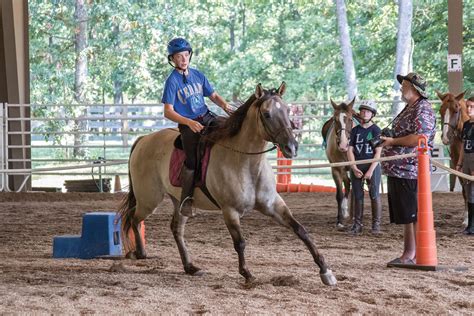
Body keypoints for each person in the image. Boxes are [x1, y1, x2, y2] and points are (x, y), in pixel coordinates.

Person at [161, 37, 231, 217]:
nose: (183, 59)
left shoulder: (198, 75)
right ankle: (186, 198)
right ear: (172, 59)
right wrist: (188, 122)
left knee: (228, 132)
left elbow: (213, 95)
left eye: (186, 55)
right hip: (188, 124)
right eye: (179, 56)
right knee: (191, 159)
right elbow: (168, 111)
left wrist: (225, 106)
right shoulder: (172, 81)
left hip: (206, 116)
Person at [380, 72, 436, 265]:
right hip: (400, 169)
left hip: (410, 169)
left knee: (414, 212)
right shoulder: (410, 108)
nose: (401, 87)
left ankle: (413, 253)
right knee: (407, 214)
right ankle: (409, 252)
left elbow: (420, 138)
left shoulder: (423, 109)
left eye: (404, 84)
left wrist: (393, 141)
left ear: (414, 88)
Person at [347, 100, 383, 235]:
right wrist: (354, 167)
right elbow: (350, 150)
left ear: (372, 114)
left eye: (367, 111)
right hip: (357, 165)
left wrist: (370, 170)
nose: (364, 113)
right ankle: (357, 225)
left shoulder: (376, 130)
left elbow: (378, 153)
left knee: (374, 194)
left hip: (372, 166)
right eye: (362, 111)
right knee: (357, 194)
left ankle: (376, 225)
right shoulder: (355, 130)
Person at [456, 96, 474, 235]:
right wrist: (459, 163)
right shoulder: (467, 124)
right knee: (469, 193)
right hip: (467, 159)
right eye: (467, 106)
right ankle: (471, 225)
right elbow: (463, 145)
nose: (469, 109)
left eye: (472, 107)